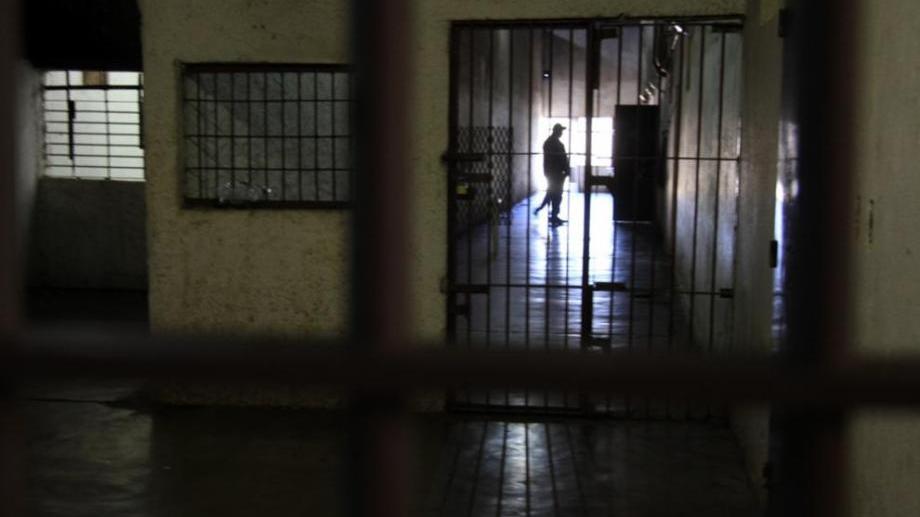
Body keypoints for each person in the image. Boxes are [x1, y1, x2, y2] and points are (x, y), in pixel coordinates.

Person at [533, 123, 571, 226]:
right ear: (556, 131)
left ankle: (548, 212)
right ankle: (552, 215)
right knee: (555, 194)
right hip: (555, 173)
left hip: (554, 173)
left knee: (553, 193)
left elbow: (561, 158)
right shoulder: (553, 143)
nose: (562, 133)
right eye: (560, 131)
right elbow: (560, 158)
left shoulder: (550, 142)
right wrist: (566, 169)